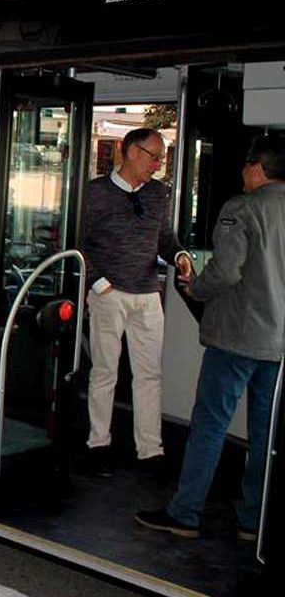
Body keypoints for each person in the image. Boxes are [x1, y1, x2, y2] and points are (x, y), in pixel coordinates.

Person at [136, 135, 285, 540]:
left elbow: (227, 271)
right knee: (265, 434)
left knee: (210, 425)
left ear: (258, 167)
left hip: (235, 338)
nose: (241, 173)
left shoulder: (243, 209)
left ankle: (185, 513)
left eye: (245, 166)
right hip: (277, 345)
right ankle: (252, 521)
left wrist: (196, 288)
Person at [80, 128, 192, 477]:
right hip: (108, 295)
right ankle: (98, 443)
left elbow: (165, 238)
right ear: (130, 151)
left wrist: (181, 257)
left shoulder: (159, 193)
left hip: (147, 296)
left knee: (149, 374)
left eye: (161, 157)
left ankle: (150, 450)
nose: (157, 164)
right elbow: (76, 241)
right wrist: (99, 283)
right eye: (153, 155)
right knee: (104, 372)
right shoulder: (95, 193)